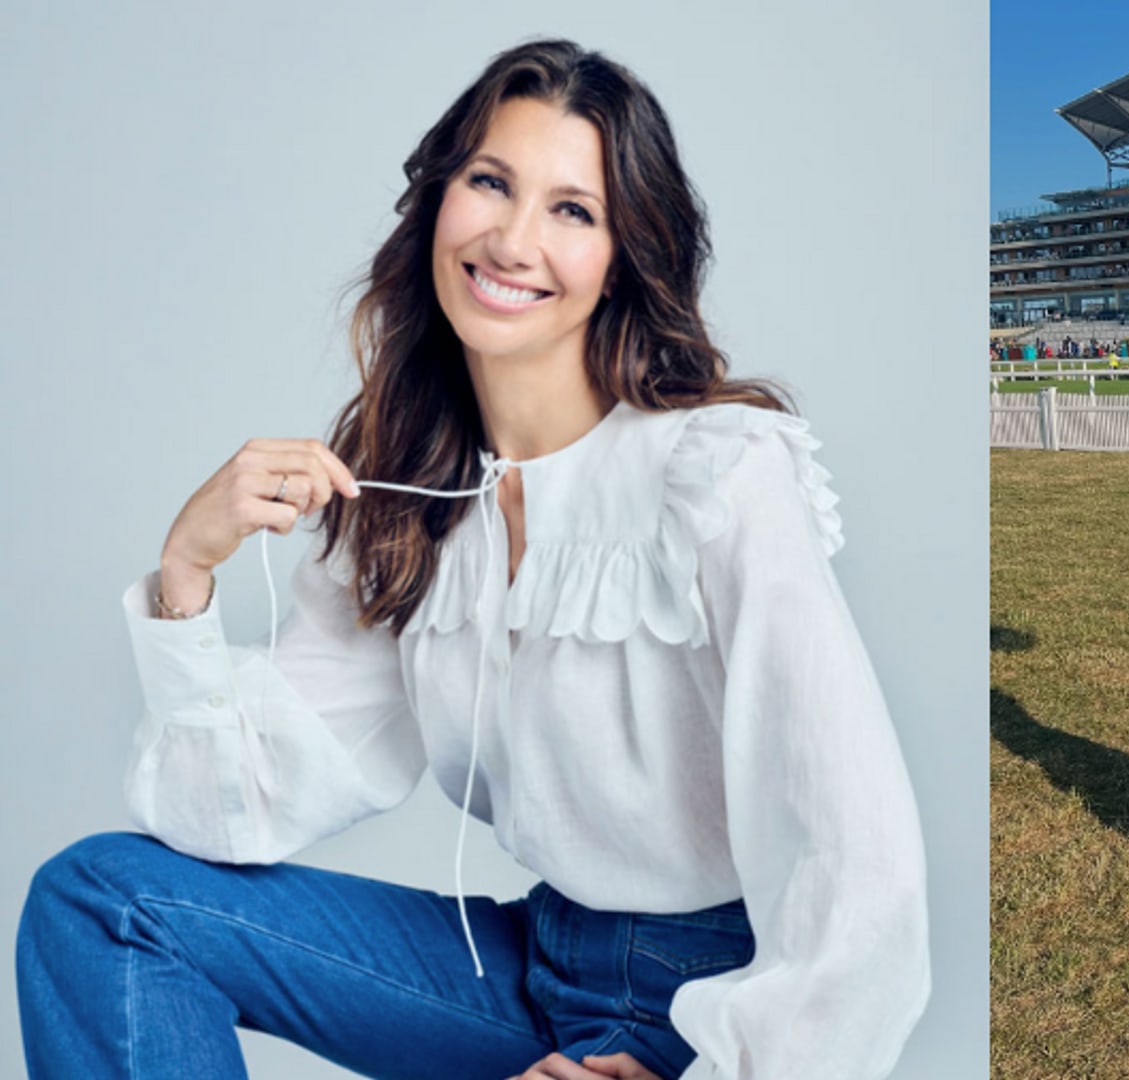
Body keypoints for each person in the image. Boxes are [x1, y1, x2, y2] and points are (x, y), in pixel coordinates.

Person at [16, 40, 928, 1080]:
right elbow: (231, 811)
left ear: (626, 256)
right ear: (438, 200)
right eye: (490, 182)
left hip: (715, 1003)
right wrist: (186, 573)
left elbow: (861, 867)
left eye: (572, 211)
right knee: (108, 904)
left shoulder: (715, 474)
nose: (513, 239)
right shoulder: (405, 491)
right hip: (534, 965)